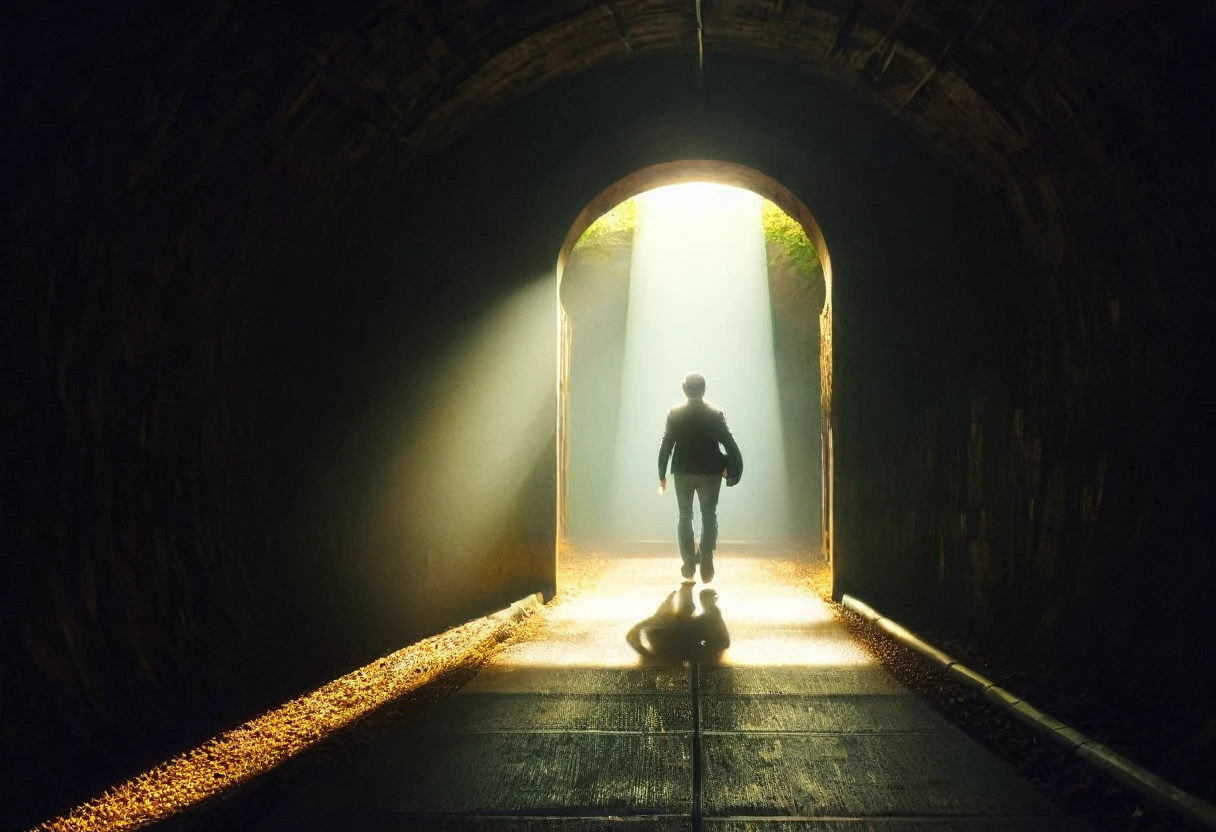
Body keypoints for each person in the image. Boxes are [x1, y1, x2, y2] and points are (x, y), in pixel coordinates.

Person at [657, 371, 743, 582]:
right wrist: (734, 472)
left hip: (683, 471)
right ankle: (707, 560)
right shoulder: (716, 413)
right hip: (710, 472)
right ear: (704, 389)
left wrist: (662, 474)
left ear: (684, 389)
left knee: (685, 516)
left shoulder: (674, 413)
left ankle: (688, 564)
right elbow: (730, 445)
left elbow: (666, 445)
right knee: (709, 514)